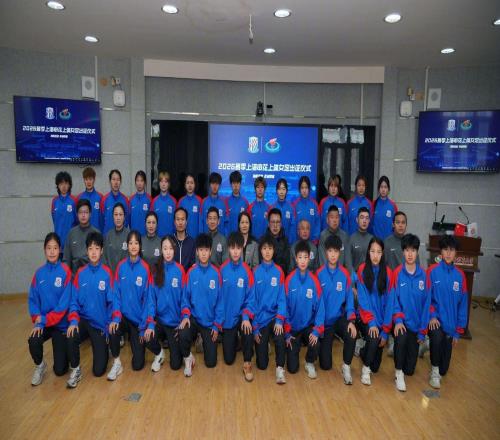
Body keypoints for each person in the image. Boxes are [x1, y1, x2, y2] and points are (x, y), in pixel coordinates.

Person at [107, 231, 164, 379]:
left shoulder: (145, 269)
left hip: (138, 322)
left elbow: (149, 300)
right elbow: (116, 294)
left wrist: (145, 325)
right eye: (131, 243)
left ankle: (159, 353)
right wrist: (116, 317)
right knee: (113, 328)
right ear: (127, 245)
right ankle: (117, 363)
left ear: (140, 246)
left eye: (136, 243)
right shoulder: (120, 267)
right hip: (123, 317)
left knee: (137, 365)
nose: (133, 246)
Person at [66, 232, 117, 388]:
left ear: (102, 251)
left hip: (99, 325)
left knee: (98, 371)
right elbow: (73, 301)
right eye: (90, 249)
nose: (93, 252)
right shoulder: (80, 274)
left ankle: (104, 348)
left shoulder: (107, 273)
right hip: (83, 320)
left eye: (97, 248)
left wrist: (111, 323)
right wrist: (73, 321)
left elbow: (113, 302)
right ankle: (76, 369)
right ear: (86, 251)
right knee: (71, 334)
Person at [28, 233, 72, 386]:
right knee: (33, 340)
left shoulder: (65, 271)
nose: (52, 251)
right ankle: (40, 366)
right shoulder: (39, 273)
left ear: (60, 250)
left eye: (55, 248)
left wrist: (44, 319)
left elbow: (63, 306)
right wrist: (38, 320)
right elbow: (33, 300)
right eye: (49, 248)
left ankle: (63, 351)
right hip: (44, 323)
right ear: (44, 250)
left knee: (60, 371)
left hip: (60, 325)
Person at [179, 234, 224, 375]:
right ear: (197, 252)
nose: (203, 253)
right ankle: (188, 357)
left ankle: (202, 339)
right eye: (201, 250)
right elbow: (185, 298)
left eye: (206, 250)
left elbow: (220, 302)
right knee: (182, 332)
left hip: (209, 322)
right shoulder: (191, 273)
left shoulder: (216, 274)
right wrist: (185, 315)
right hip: (194, 318)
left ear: (210, 252)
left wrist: (216, 325)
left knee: (211, 363)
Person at [427, 235, 468, 389]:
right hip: (435, 320)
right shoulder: (432, 271)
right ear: (441, 252)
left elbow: (463, 305)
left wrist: (458, 331)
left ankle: (429, 346)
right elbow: (426, 298)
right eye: (445, 249)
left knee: (444, 369)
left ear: (456, 252)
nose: (449, 253)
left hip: (450, 325)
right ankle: (434, 372)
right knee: (437, 338)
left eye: (452, 250)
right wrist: (432, 315)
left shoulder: (460, 275)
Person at [391, 234, 430, 392]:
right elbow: (394, 300)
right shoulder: (397, 273)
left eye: (413, 250)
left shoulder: (424, 276)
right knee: (401, 338)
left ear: (417, 252)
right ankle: (398, 373)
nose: (410, 254)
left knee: (410, 370)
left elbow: (426, 305)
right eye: (407, 250)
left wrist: (422, 331)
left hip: (416, 326)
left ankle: (405, 351)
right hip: (401, 322)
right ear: (403, 252)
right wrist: (398, 320)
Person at [316, 235, 357, 385]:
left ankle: (346, 366)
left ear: (340, 253)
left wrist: (351, 320)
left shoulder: (345, 274)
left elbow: (350, 299)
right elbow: (316, 303)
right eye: (330, 251)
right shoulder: (319, 274)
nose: (333, 255)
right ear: (326, 252)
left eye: (336, 251)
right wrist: (318, 324)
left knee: (351, 333)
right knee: (325, 365)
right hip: (325, 322)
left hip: (339, 318)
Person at [284, 240, 325, 379]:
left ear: (309, 259)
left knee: (316, 342)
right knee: (292, 369)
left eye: (305, 257)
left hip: (308, 325)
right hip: (292, 328)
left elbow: (320, 309)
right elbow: (284, 308)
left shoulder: (314, 281)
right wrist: (286, 332)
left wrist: (316, 330)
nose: (302, 261)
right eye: (300, 257)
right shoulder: (289, 280)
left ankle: (309, 362)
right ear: (295, 259)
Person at [356, 237, 394, 386]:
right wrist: (371, 323)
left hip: (382, 321)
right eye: (372, 251)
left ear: (382, 253)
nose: (375, 255)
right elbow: (363, 300)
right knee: (373, 337)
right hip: (366, 318)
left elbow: (390, 304)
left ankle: (362, 350)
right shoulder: (362, 270)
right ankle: (365, 370)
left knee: (376, 367)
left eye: (379, 252)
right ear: (368, 252)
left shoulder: (389, 273)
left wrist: (385, 331)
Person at [145, 236, 186, 371]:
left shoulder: (180, 270)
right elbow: (151, 300)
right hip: (160, 321)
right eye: (165, 249)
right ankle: (159, 354)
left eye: (170, 249)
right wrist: (151, 323)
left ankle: (181, 352)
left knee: (175, 365)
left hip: (174, 323)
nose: (168, 252)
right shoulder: (155, 270)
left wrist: (183, 318)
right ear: (161, 250)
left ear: (174, 250)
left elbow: (184, 298)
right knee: (147, 337)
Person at [220, 232, 256, 381]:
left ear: (242, 248)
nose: (235, 252)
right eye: (232, 248)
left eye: (238, 248)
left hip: (242, 316)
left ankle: (247, 362)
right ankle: (235, 338)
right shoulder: (222, 270)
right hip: (228, 318)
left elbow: (251, 298)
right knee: (229, 360)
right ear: (228, 248)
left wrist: (246, 316)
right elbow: (218, 298)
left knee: (247, 329)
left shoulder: (247, 271)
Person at [252, 235, 287, 384]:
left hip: (274, 317)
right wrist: (254, 327)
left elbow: (282, 299)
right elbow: (252, 301)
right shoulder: (255, 272)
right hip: (260, 319)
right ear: (260, 251)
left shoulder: (279, 272)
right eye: (264, 248)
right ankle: (264, 344)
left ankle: (280, 368)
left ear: (274, 251)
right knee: (262, 365)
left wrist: (279, 320)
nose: (267, 251)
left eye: (270, 248)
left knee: (279, 336)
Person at [63, 199, 99, 273]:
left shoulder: (96, 233)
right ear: (77, 214)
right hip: (74, 276)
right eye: (80, 212)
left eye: (86, 212)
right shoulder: (71, 233)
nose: (83, 215)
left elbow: (100, 260)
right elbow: (66, 260)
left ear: (90, 214)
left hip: (92, 274)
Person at [51, 171, 77, 253]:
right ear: (58, 185)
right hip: (58, 243)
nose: (64, 186)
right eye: (61, 183)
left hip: (71, 243)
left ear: (69, 185)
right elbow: (54, 220)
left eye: (66, 183)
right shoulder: (54, 201)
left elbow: (77, 221)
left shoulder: (74, 201)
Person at [292, 176, 320, 243]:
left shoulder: (314, 204)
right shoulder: (295, 204)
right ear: (299, 189)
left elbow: (318, 223)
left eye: (306, 187)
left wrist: (315, 240)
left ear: (309, 189)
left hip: (312, 242)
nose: (304, 190)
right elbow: (293, 226)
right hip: (298, 242)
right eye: (302, 188)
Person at [101, 169, 130, 235]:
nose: (116, 182)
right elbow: (101, 220)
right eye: (113, 179)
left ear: (120, 182)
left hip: (122, 237)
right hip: (107, 237)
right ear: (110, 181)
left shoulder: (125, 200)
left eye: (118, 180)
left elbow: (126, 220)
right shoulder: (104, 199)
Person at [103, 203, 130, 272]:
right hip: (110, 274)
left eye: (120, 214)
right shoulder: (108, 236)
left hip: (125, 274)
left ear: (124, 217)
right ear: (113, 216)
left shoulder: (129, 235)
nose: (118, 218)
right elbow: (104, 258)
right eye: (116, 214)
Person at [345, 207, 373, 274]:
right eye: (362, 217)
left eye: (367, 218)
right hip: (355, 276)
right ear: (357, 220)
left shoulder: (372, 239)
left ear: (369, 220)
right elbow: (348, 262)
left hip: (369, 276)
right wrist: (352, 274)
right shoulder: (350, 239)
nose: (364, 221)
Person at [371, 176, 398, 240]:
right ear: (378, 189)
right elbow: (370, 224)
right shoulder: (373, 204)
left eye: (385, 187)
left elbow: (396, 225)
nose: (383, 190)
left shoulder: (393, 205)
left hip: (389, 241)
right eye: (381, 187)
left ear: (388, 189)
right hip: (376, 241)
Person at [151, 171, 177, 238]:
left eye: (166, 182)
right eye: (161, 181)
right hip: (157, 238)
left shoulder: (173, 201)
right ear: (159, 183)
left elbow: (176, 220)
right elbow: (151, 220)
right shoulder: (154, 201)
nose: (163, 184)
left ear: (169, 184)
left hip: (170, 238)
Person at [266, 208, 291, 276]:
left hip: (281, 276)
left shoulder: (286, 241)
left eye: (278, 222)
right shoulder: (263, 241)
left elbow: (287, 264)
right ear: (268, 224)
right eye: (273, 222)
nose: (275, 225)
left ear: (281, 224)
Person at [77, 167, 103, 231]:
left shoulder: (100, 197)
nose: (88, 182)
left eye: (90, 179)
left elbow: (102, 218)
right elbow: (77, 218)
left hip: (96, 233)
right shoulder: (79, 197)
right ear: (84, 180)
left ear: (94, 180)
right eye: (86, 179)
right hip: (83, 233)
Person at [272, 178, 296, 243]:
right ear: (276, 191)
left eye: (283, 189)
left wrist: (289, 243)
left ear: (287, 191)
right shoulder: (272, 207)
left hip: (288, 243)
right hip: (274, 243)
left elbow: (293, 227)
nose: (281, 192)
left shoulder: (291, 207)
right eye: (279, 189)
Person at [178, 173, 202, 238]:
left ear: (195, 184)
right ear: (185, 185)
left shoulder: (199, 201)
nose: (190, 185)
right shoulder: (181, 201)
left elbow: (201, 221)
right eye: (187, 183)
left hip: (196, 238)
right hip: (183, 237)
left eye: (192, 183)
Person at [172, 207, 196, 271]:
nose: (180, 222)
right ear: (174, 222)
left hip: (187, 276)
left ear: (186, 222)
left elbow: (193, 265)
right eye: (178, 219)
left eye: (182, 219)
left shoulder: (192, 242)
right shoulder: (170, 241)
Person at [129, 170, 152, 236]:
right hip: (134, 236)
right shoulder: (131, 199)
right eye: (137, 180)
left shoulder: (149, 199)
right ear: (135, 182)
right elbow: (129, 219)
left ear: (145, 183)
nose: (139, 183)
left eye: (141, 181)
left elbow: (151, 219)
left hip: (146, 236)